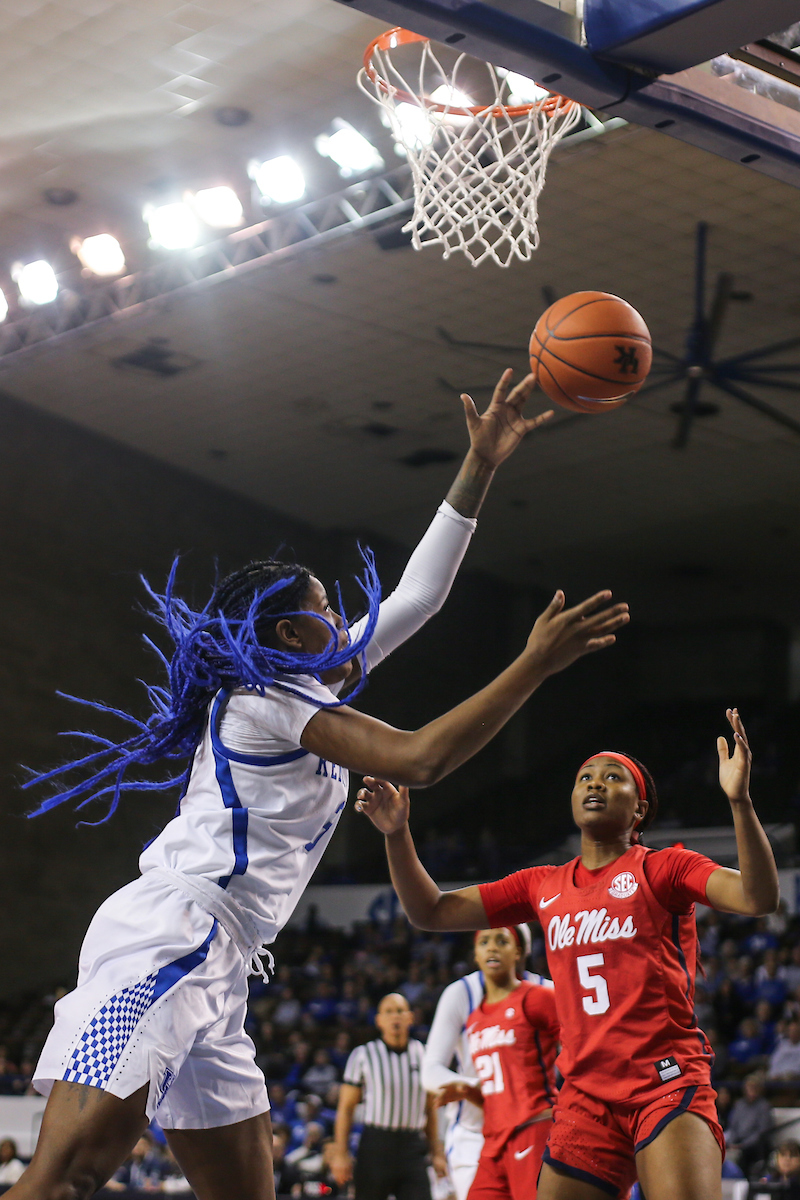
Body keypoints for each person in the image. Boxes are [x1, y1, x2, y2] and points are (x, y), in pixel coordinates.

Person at [11, 372, 630, 1200]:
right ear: (287, 631)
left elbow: (419, 596)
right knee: (67, 1178)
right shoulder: (265, 697)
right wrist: (533, 664)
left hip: (223, 963)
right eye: (327, 607)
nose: (345, 619)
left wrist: (479, 466)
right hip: (170, 937)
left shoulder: (308, 686)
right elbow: (420, 759)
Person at [355, 708, 780, 1200]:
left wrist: (740, 802)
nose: (595, 783)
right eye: (585, 778)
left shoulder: (664, 868)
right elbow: (429, 910)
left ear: (639, 809)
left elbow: (758, 897)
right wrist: (396, 834)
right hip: (584, 1097)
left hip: (664, 1081)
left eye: (612, 776)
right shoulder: (542, 884)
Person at [421, 924, 552, 1200]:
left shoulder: (541, 994)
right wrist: (468, 1088)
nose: (492, 947)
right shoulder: (474, 1014)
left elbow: (584, 1045)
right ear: (474, 953)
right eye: (484, 941)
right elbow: (431, 1070)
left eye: (501, 940)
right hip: (482, 1133)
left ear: (519, 951)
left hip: (531, 1124)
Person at [330, 993, 446, 1200]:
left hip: (412, 1146)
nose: (395, 1017)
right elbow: (346, 1108)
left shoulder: (425, 1055)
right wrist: (341, 1153)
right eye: (389, 1012)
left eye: (400, 1011)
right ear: (379, 1020)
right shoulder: (363, 1055)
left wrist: (437, 1151)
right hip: (376, 1145)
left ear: (410, 1017)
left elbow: (430, 1109)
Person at [725, 1071, 773, 1179]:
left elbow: (762, 1132)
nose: (752, 1089)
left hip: (755, 1145)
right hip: (738, 1141)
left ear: (760, 1089)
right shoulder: (739, 1105)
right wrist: (732, 1142)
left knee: (749, 1152)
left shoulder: (764, 1106)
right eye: (750, 1086)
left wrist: (743, 1145)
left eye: (755, 1086)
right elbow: (733, 1127)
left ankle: (744, 1180)